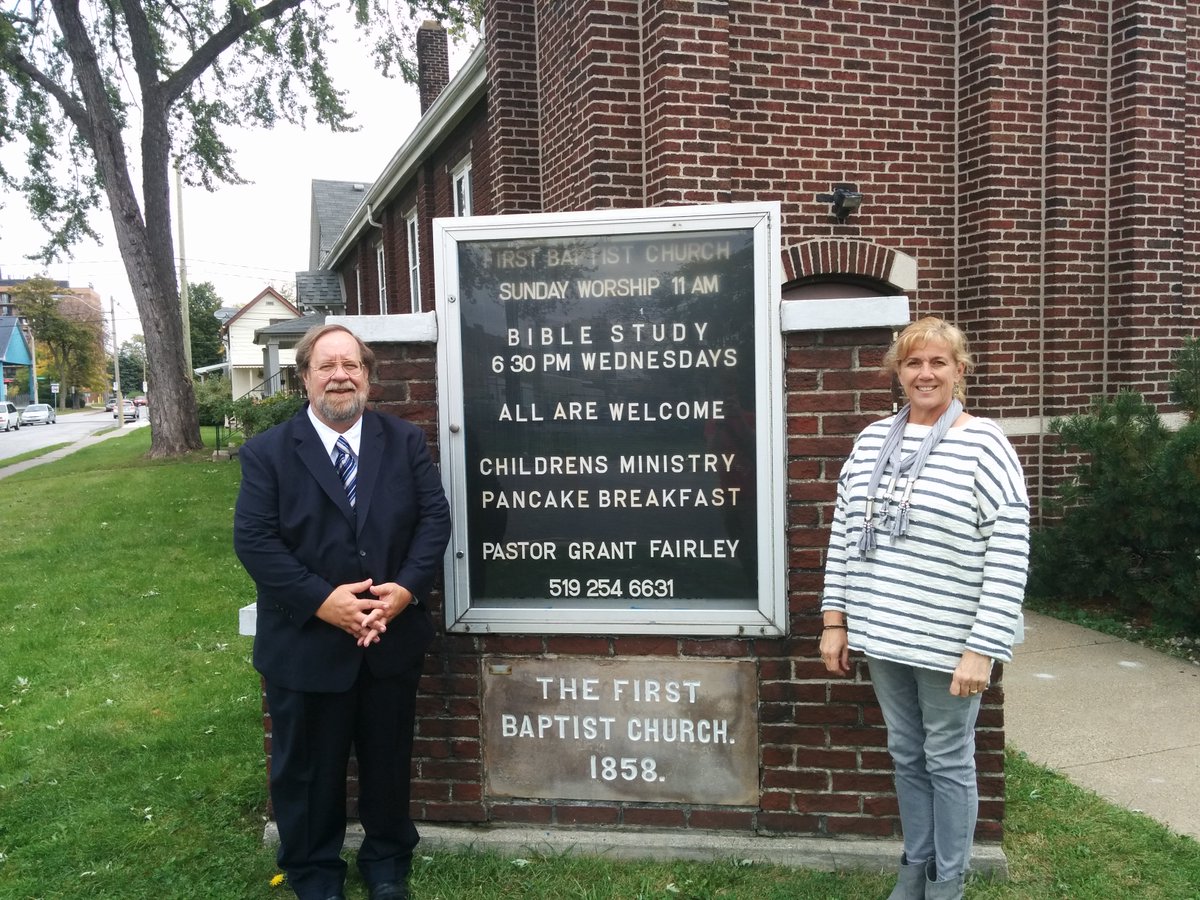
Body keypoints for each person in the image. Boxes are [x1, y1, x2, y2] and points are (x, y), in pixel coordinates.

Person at [234, 324, 451, 900]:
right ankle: (313, 873)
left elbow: (434, 521)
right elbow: (255, 541)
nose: (340, 375)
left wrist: (404, 591)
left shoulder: (402, 441)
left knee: (386, 762)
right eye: (326, 365)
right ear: (303, 377)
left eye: (351, 365)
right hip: (305, 644)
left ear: (368, 376)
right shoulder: (267, 453)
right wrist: (322, 601)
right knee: (306, 771)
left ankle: (386, 865)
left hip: (388, 638)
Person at [819, 317, 1029, 900]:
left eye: (939, 362)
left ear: (961, 371)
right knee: (907, 755)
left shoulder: (984, 444)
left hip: (949, 644)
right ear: (897, 372)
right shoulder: (870, 441)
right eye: (914, 363)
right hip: (883, 636)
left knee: (949, 761)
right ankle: (913, 871)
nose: (926, 373)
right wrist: (835, 621)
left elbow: (1009, 551)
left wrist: (983, 647)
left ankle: (948, 884)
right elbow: (843, 535)